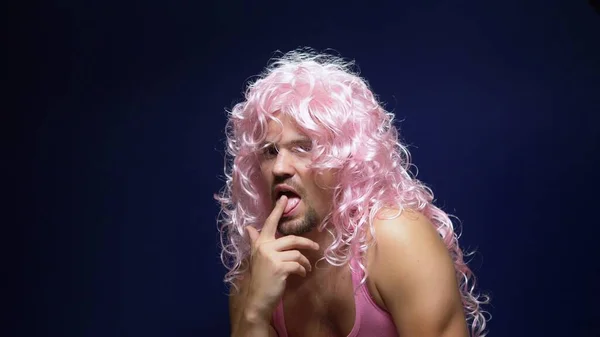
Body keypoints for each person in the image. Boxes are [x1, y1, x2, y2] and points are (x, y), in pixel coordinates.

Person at [216, 47, 489, 337]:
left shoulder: (395, 240)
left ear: (345, 159)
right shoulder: (257, 272)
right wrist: (255, 313)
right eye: (270, 152)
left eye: (303, 147)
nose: (280, 167)